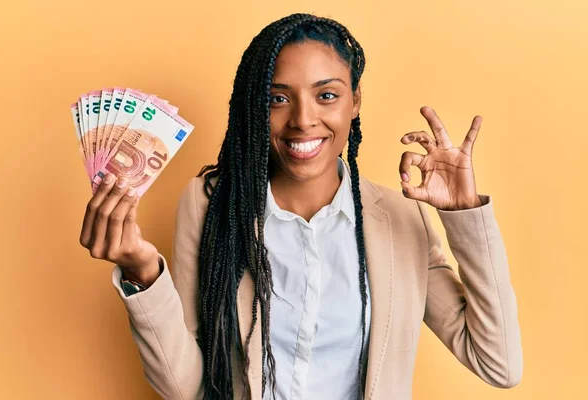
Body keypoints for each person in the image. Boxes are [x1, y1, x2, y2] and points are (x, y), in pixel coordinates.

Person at [79, 13, 523, 400]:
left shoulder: (403, 222)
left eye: (326, 95)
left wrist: (465, 214)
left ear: (355, 101)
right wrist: (143, 275)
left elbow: (498, 364)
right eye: (278, 98)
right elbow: (188, 388)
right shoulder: (213, 205)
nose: (303, 119)